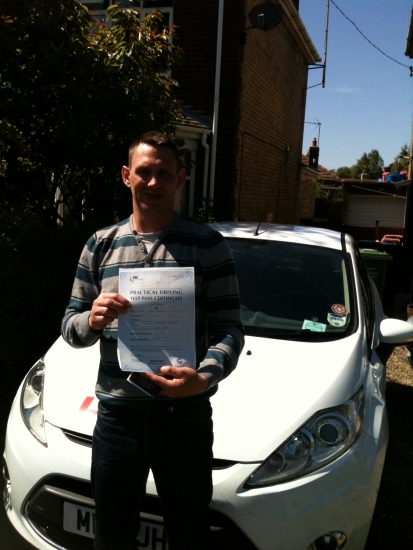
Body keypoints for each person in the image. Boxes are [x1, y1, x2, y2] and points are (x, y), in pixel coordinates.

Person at [61, 131, 244, 550]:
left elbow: (230, 329)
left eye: (164, 173)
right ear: (127, 176)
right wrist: (91, 319)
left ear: (181, 179)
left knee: (188, 534)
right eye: (144, 172)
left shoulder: (208, 246)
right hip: (117, 421)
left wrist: (205, 377)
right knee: (111, 536)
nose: (153, 182)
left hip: (185, 418)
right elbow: (70, 327)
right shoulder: (100, 245)